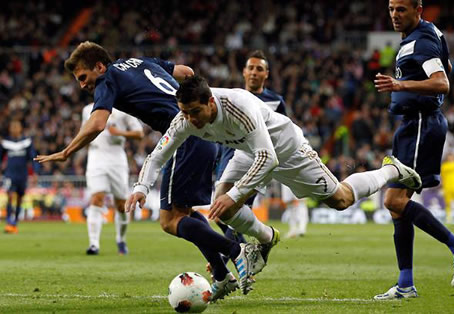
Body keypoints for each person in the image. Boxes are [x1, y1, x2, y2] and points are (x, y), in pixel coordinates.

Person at [126, 76, 423, 280]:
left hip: (285, 149)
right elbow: (158, 155)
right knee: (223, 205)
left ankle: (391, 170)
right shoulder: (184, 119)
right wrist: (141, 186)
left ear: (211, 103)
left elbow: (269, 158)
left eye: (194, 112)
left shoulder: (238, 108)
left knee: (341, 199)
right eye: (185, 113)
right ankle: (265, 240)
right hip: (248, 150)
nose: (190, 119)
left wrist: (235, 194)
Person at [34, 41, 264, 298]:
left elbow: (98, 123)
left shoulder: (106, 79)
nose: (82, 85)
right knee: (183, 213)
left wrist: (66, 152)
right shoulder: (141, 62)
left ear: (99, 66)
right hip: (203, 132)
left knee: (169, 221)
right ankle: (222, 276)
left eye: (83, 77)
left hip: (183, 137)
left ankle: (237, 251)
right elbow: (187, 72)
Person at [373, 0, 454, 300]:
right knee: (397, 207)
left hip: (421, 124)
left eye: (401, 10)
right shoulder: (427, 34)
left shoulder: (420, 40)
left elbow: (442, 82)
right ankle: (405, 283)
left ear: (417, 10)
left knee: (393, 200)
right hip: (412, 126)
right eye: (391, 9)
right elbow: (446, 65)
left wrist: (400, 86)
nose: (394, 15)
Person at [213, 50, 287, 262]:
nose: (254, 72)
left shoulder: (275, 101)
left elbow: (283, 132)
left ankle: (231, 259)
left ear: (267, 74)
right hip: (228, 158)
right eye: (251, 68)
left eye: (259, 69)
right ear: (244, 72)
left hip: (256, 161)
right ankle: (244, 252)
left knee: (230, 210)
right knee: (220, 213)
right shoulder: (231, 96)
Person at [82, 103, 144, 255]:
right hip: (96, 157)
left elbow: (139, 133)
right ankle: (94, 244)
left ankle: (121, 240)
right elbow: (84, 133)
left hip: (117, 158)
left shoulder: (123, 109)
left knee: (121, 204)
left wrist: (120, 133)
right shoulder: (87, 109)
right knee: (96, 198)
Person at [1, 120, 39, 234]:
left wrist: (35, 172)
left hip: (22, 174)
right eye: (12, 126)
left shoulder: (26, 142)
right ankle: (9, 220)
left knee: (19, 198)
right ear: (9, 128)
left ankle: (15, 220)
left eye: (16, 126)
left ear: (21, 128)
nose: (14, 128)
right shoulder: (6, 142)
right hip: (10, 174)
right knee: (10, 195)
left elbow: (33, 158)